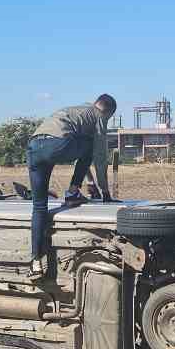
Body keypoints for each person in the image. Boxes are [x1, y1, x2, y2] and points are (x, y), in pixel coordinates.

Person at [25, 95, 117, 280]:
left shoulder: (79, 110)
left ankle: (35, 262)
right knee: (91, 146)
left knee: (39, 207)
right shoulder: (99, 118)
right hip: (56, 145)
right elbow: (98, 157)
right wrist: (105, 192)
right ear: (108, 112)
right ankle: (73, 191)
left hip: (34, 146)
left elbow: (83, 157)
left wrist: (89, 180)